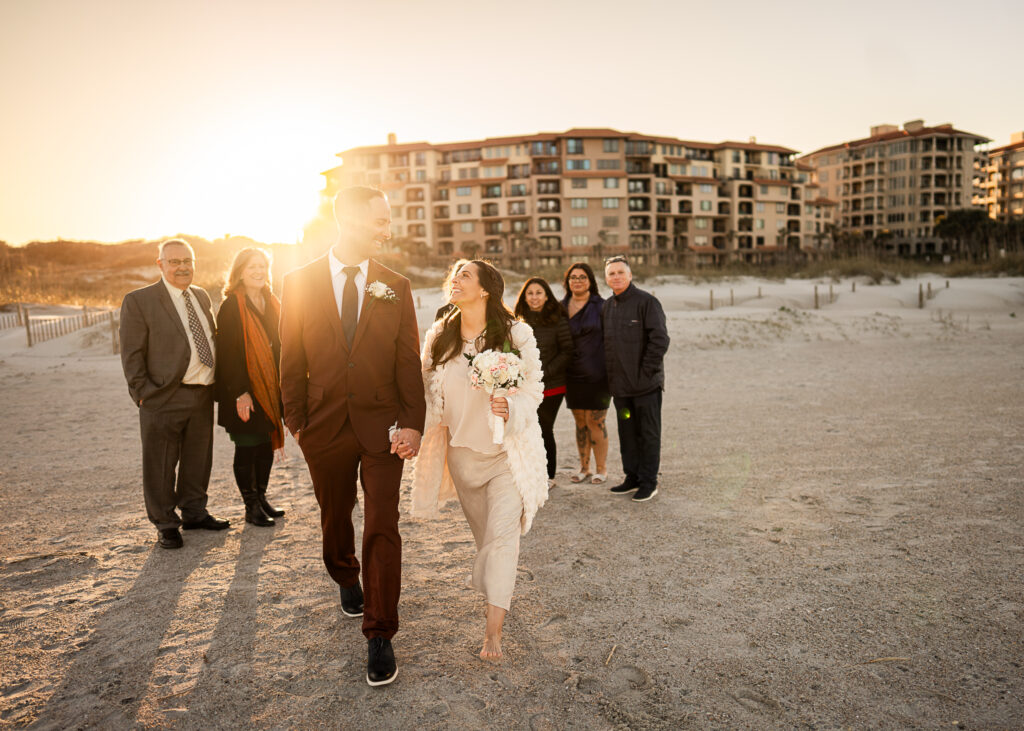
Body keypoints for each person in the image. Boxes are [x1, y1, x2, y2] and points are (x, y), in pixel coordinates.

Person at [279, 186, 426, 687]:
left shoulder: (395, 286)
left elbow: (408, 360)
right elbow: (290, 360)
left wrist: (413, 423)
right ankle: (344, 572)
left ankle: (380, 632)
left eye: (388, 220)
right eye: (380, 221)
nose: (387, 229)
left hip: (383, 426)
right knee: (334, 513)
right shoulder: (296, 282)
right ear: (348, 219)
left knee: (383, 521)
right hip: (322, 426)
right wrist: (297, 423)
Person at [411, 260, 548, 661]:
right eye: (455, 275)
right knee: (485, 542)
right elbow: (423, 391)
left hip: (506, 457)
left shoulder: (516, 333)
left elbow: (534, 387)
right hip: (462, 459)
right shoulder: (439, 335)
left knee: (502, 543)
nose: (456, 280)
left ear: (486, 288)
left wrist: (512, 407)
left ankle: (493, 636)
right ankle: (496, 592)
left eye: (465, 275)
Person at [119, 239, 229, 550]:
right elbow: (131, 353)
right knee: (161, 463)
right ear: (161, 264)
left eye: (187, 261)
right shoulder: (139, 301)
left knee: (198, 459)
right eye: (174, 261)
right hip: (163, 396)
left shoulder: (201, 295)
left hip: (202, 393)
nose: (182, 267)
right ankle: (166, 523)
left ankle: (194, 512)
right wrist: (143, 393)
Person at [214, 247, 285, 528]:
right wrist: (241, 392)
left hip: (269, 388)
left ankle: (262, 497)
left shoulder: (272, 301)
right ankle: (250, 506)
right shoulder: (232, 306)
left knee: (265, 445)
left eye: (262, 266)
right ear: (240, 272)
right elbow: (228, 354)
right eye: (252, 266)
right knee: (247, 446)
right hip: (242, 390)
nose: (258, 272)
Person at [602, 255, 670, 503]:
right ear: (606, 278)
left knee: (648, 434)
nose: (616, 277)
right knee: (627, 433)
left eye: (621, 272)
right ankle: (632, 477)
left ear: (630, 275)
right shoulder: (608, 307)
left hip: (646, 386)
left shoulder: (647, 302)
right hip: (620, 387)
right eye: (611, 273)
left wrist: (645, 374)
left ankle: (649, 482)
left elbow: (660, 339)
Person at [513, 277, 573, 485]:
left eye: (539, 292)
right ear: (524, 297)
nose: (534, 297)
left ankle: (548, 476)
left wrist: (544, 372)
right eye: (530, 293)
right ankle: (530, 473)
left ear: (547, 296)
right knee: (525, 429)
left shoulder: (557, 319)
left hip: (552, 385)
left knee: (544, 427)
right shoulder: (517, 321)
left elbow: (567, 351)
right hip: (524, 386)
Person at [560, 262, 611, 484]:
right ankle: (584, 468)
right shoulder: (560, 307)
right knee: (579, 421)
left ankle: (602, 468)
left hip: (599, 373)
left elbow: (612, 339)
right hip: (571, 373)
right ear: (567, 281)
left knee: (595, 421)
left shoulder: (603, 306)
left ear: (590, 280)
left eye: (582, 277)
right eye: (573, 277)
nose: (577, 281)